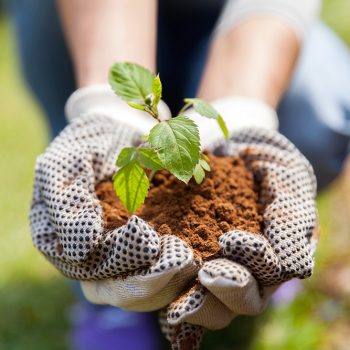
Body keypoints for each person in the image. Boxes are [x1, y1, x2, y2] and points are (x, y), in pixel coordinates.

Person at [7, 0, 350, 349]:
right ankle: (112, 295)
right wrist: (107, 108)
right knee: (95, 156)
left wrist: (241, 111)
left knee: (317, 109)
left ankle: (258, 267)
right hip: (84, 16)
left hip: (221, 18)